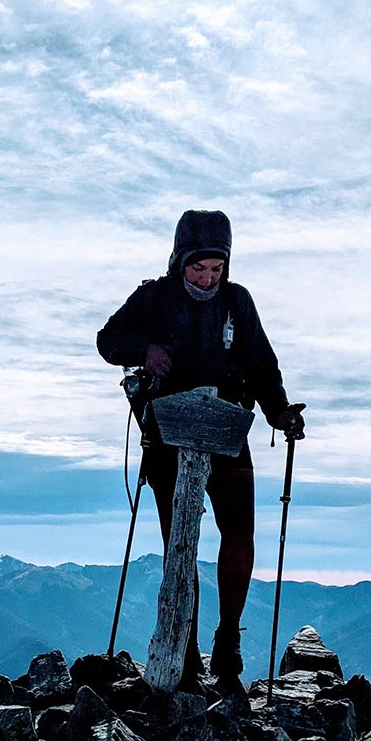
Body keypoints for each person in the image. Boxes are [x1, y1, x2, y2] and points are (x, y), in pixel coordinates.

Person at [96, 209, 305, 686]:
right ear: (179, 260)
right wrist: (143, 351)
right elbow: (108, 340)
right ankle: (183, 649)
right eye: (198, 268)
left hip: (225, 427)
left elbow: (261, 365)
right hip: (169, 434)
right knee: (180, 543)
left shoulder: (238, 302)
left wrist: (279, 413)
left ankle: (226, 642)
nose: (208, 278)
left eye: (216, 269)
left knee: (238, 534)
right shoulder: (152, 298)